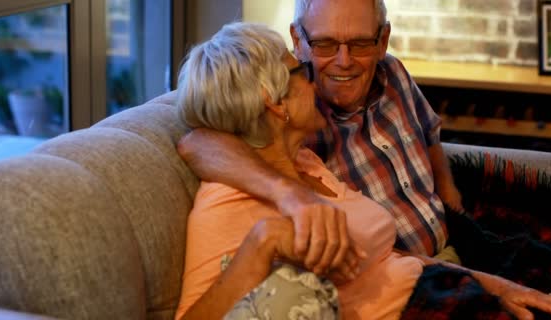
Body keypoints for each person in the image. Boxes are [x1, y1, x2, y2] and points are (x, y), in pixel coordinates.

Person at [173, 22, 551, 320]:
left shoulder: (306, 164)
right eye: (303, 73)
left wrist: (494, 283)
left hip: (441, 285)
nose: (317, 81)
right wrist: (260, 243)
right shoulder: (226, 202)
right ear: (275, 102)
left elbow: (390, 259)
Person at [177, 0, 461, 274]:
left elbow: (430, 132)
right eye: (324, 44)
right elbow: (197, 143)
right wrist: (288, 192)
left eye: (360, 43)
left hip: (455, 241)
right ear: (298, 40)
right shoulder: (293, 123)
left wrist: (451, 199)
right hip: (413, 271)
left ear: (382, 40)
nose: (344, 61)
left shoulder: (393, 72)